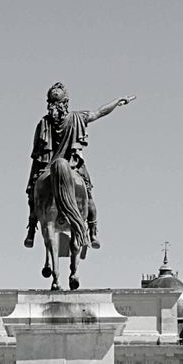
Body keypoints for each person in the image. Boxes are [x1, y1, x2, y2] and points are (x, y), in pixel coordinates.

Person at [22, 83, 132, 250]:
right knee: (88, 196)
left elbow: (38, 155)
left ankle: (31, 231)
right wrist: (117, 101)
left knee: (33, 197)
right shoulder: (77, 118)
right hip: (73, 166)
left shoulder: (43, 124)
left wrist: (34, 179)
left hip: (47, 168)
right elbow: (100, 112)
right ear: (66, 102)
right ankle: (93, 232)